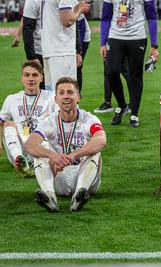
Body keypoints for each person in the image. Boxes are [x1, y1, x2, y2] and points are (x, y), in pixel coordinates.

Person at [24, 77, 107, 212]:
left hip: (85, 177)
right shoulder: (49, 121)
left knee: (95, 151)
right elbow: (30, 145)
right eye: (61, 93)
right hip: (59, 175)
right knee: (40, 150)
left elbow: (101, 140)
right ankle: (50, 196)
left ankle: (79, 195)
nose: (66, 96)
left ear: (78, 97)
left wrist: (74, 155)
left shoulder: (89, 119)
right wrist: (53, 156)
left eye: (70, 92)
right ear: (56, 99)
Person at [100, 0, 159, 127]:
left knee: (135, 76)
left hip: (137, 37)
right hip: (115, 36)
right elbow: (106, 18)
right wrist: (102, 43)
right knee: (111, 72)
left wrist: (154, 45)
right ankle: (122, 106)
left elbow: (152, 17)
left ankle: (134, 114)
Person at [0, 61, 57, 177]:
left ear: (41, 77)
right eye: (27, 75)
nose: (31, 79)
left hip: (41, 146)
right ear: (22, 78)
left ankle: (31, 165)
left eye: (35, 75)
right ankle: (19, 160)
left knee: (49, 124)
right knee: (8, 123)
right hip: (19, 147)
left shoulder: (51, 97)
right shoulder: (12, 99)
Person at [41, 0, 90, 91]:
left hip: (50, 49)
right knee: (66, 92)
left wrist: (78, 6)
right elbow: (67, 21)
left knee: (52, 94)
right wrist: (80, 9)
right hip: (62, 50)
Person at [76, 14, 91, 94]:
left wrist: (78, 51)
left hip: (82, 39)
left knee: (77, 67)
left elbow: (81, 29)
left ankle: (77, 96)